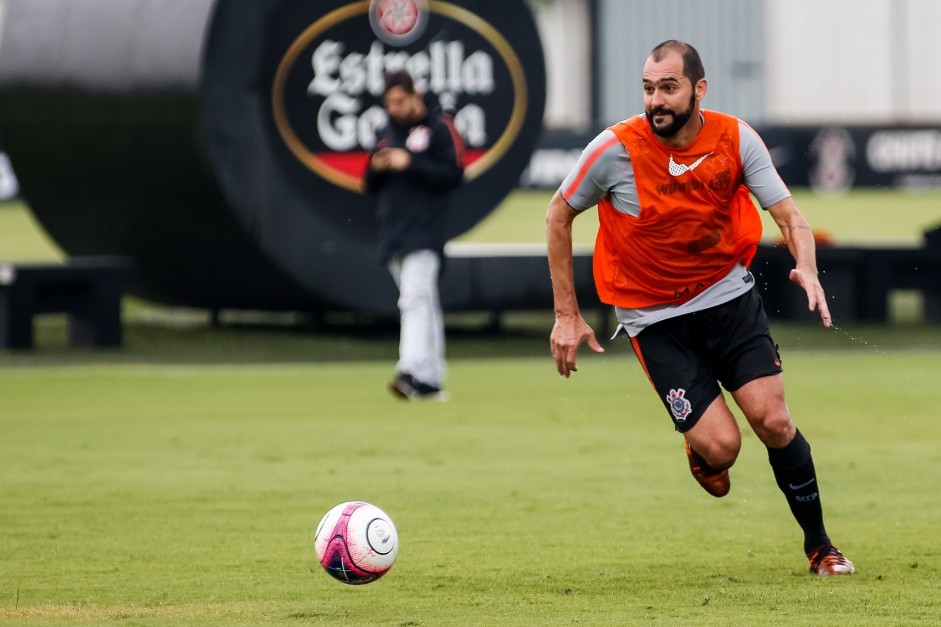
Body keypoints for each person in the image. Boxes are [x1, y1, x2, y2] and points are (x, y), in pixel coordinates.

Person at [546, 40, 854, 576]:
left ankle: (821, 547)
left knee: (774, 421)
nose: (656, 100)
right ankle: (702, 449)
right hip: (653, 319)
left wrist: (806, 264)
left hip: (727, 298)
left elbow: (789, 215)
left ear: (698, 89)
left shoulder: (735, 139)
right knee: (724, 449)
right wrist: (567, 315)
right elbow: (558, 214)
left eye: (668, 87)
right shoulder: (613, 150)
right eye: (648, 88)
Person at [364, 69, 464, 401]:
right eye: (389, 102)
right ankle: (430, 379)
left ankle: (408, 369)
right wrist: (376, 167)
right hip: (392, 228)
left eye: (400, 100)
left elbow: (453, 173)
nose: (394, 108)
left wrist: (411, 163)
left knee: (414, 300)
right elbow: (369, 185)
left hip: (425, 229)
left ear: (415, 95)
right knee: (424, 304)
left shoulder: (438, 127)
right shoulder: (384, 130)